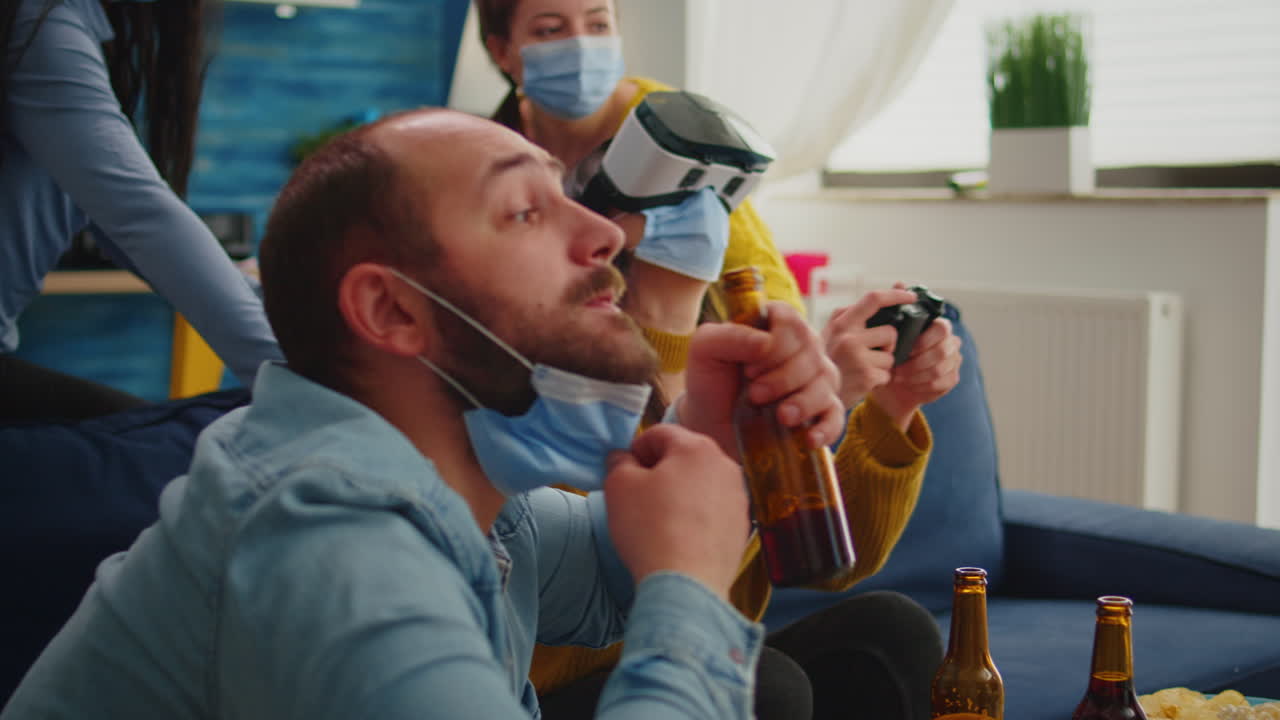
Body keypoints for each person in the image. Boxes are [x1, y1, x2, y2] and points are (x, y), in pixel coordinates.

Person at [0, 107, 852, 719]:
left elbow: (602, 578)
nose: (608, 235)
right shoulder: (328, 538)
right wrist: (689, 587)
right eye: (525, 210)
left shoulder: (463, 481)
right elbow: (658, 582)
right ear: (393, 313)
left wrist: (714, 431)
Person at [474, 2, 964, 718]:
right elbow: (626, 568)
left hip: (699, 608)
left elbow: (826, 562)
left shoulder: (719, 282)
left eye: (598, 20)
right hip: (574, 664)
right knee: (772, 687)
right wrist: (664, 323)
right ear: (502, 51)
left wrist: (880, 409)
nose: (582, 48)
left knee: (891, 634)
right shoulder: (514, 289)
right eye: (550, 28)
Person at [0, 0, 281, 422]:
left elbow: (125, 226)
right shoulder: (41, 23)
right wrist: (310, 386)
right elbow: (141, 216)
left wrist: (289, 317)